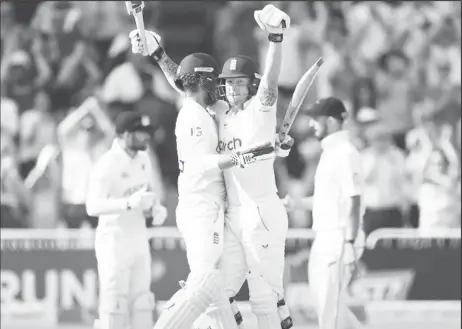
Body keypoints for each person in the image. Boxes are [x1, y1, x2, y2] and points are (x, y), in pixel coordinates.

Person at [129, 4, 294, 329]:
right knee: (216, 288)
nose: (232, 87)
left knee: (265, 299)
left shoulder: (259, 110)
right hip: (231, 214)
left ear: (252, 85)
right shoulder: (218, 111)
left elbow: (272, 79)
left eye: (240, 82)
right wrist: (159, 52)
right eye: (228, 82)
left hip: (260, 210)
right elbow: (187, 84)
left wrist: (275, 39)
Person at [284, 97, 365, 329]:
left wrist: (349, 242)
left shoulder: (346, 152)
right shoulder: (330, 153)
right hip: (325, 235)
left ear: (330, 121)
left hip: (339, 237)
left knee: (328, 308)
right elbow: (326, 201)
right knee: (326, 304)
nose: (311, 124)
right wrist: (296, 204)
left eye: (315, 119)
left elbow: (354, 200)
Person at [86, 111, 168, 329]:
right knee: (115, 302)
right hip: (113, 241)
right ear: (123, 134)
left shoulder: (143, 160)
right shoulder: (107, 163)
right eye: (139, 133)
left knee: (142, 300)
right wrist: (127, 204)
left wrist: (155, 209)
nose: (145, 137)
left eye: (147, 132)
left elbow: (146, 195)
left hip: (139, 238)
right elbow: (92, 206)